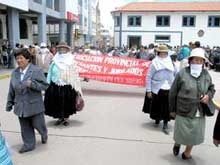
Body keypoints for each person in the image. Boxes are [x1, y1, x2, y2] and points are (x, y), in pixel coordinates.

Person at [169, 48, 215, 159]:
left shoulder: (206, 74)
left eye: (200, 60)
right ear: (190, 61)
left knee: (194, 134)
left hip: (199, 110)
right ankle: (177, 144)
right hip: (183, 109)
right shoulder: (182, 73)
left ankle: (187, 152)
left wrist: (208, 96)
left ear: (204, 62)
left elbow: (211, 88)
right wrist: (172, 110)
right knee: (181, 132)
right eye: (195, 60)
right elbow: (172, 92)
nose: (198, 62)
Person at [6, 48, 49, 153]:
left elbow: (45, 86)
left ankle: (43, 133)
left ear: (27, 59)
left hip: (34, 105)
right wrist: (9, 103)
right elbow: (12, 88)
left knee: (38, 124)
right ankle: (29, 144)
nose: (19, 60)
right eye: (17, 58)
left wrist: (33, 84)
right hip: (20, 105)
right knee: (25, 127)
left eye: (21, 58)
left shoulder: (36, 70)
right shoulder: (15, 73)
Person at [44, 42, 82, 126]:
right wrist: (47, 82)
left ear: (67, 50)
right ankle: (59, 118)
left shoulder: (71, 60)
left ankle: (65, 118)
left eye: (63, 48)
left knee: (67, 102)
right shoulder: (55, 59)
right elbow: (50, 71)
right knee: (56, 102)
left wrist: (76, 85)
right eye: (60, 48)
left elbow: (75, 73)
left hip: (67, 85)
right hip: (55, 84)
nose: (62, 50)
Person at [142, 45, 177, 134]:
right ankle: (157, 119)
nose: (163, 55)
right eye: (161, 53)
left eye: (165, 53)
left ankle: (165, 123)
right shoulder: (154, 63)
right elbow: (149, 77)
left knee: (167, 107)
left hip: (169, 88)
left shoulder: (171, 63)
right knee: (157, 106)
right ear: (158, 53)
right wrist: (149, 90)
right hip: (157, 88)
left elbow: (176, 74)